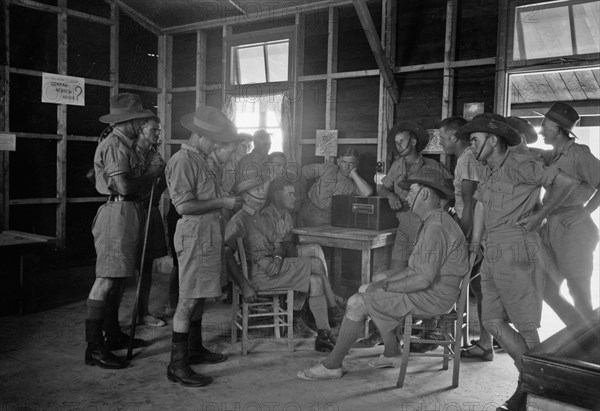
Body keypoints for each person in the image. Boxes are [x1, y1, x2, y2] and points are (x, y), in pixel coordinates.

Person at [297, 166, 469, 380]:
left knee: (356, 302)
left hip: (434, 297)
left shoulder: (436, 228)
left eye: (412, 191)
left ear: (425, 194)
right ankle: (392, 352)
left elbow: (421, 279)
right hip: (434, 289)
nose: (407, 196)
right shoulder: (434, 221)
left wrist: (386, 287)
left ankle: (332, 365)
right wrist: (380, 285)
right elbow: (415, 269)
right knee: (370, 286)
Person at [461, 113, 579, 410]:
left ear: (493, 139)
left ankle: (534, 392)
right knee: (491, 320)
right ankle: (532, 381)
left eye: (475, 139)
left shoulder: (520, 164)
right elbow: (481, 205)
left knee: (527, 327)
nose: (471, 145)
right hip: (492, 250)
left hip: (517, 248)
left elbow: (564, 182)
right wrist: (475, 244)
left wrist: (540, 215)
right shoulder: (488, 168)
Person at [165, 105, 241, 387]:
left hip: (207, 234)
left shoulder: (200, 160)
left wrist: (225, 201)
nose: (217, 145)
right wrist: (223, 203)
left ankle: (194, 350)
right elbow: (183, 205)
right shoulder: (183, 161)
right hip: (195, 235)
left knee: (198, 296)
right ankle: (177, 364)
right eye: (215, 139)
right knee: (187, 300)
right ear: (201, 136)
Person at [85, 93, 162, 369]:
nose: (142, 121)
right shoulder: (115, 145)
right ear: (128, 120)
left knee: (118, 279)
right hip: (117, 213)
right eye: (139, 118)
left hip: (130, 212)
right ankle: (94, 346)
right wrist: (153, 173)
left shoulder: (127, 144)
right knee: (106, 279)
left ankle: (113, 334)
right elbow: (125, 187)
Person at [225, 176, 343, 351]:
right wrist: (244, 285)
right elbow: (226, 255)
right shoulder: (238, 220)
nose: (262, 192)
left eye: (262, 188)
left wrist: (278, 259)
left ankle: (323, 335)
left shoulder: (260, 217)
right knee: (316, 263)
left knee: (316, 280)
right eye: (256, 190)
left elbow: (278, 245)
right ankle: (334, 312)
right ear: (245, 196)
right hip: (256, 276)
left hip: (274, 271)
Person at [538, 103, 600, 326]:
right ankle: (579, 333)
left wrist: (584, 213)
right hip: (553, 226)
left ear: (556, 128)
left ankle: (591, 349)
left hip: (574, 228)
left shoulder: (579, 154)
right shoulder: (554, 154)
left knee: (579, 291)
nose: (540, 130)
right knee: (545, 287)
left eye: (544, 126)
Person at [439, 116, 493, 361]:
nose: (440, 141)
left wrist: (464, 238)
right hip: (474, 229)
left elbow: (471, 204)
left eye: (442, 137)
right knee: (479, 289)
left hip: (473, 233)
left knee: (453, 282)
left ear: (453, 137)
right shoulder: (465, 158)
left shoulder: (468, 158)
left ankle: (439, 336)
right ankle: (485, 343)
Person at [378, 121, 452, 271]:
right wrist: (391, 196)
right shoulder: (397, 165)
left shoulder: (432, 166)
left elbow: (449, 194)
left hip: (424, 228)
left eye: (402, 141)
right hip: (404, 226)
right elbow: (382, 189)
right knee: (396, 269)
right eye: (396, 142)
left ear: (413, 142)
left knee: (419, 271)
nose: (398, 145)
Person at [134, 116, 169, 327]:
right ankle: (110, 323)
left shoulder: (155, 156)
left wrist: (152, 196)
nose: (158, 134)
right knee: (122, 269)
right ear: (141, 130)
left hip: (149, 210)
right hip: (131, 211)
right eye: (153, 130)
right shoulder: (130, 152)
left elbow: (161, 180)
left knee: (146, 266)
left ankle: (142, 313)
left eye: (159, 130)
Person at [298, 148, 373, 227]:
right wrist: (302, 195)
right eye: (344, 162)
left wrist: (354, 174)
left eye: (351, 163)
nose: (347, 167)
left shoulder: (352, 186)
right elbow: (302, 173)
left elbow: (367, 192)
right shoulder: (328, 168)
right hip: (306, 212)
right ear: (338, 162)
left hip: (326, 221)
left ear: (356, 164)